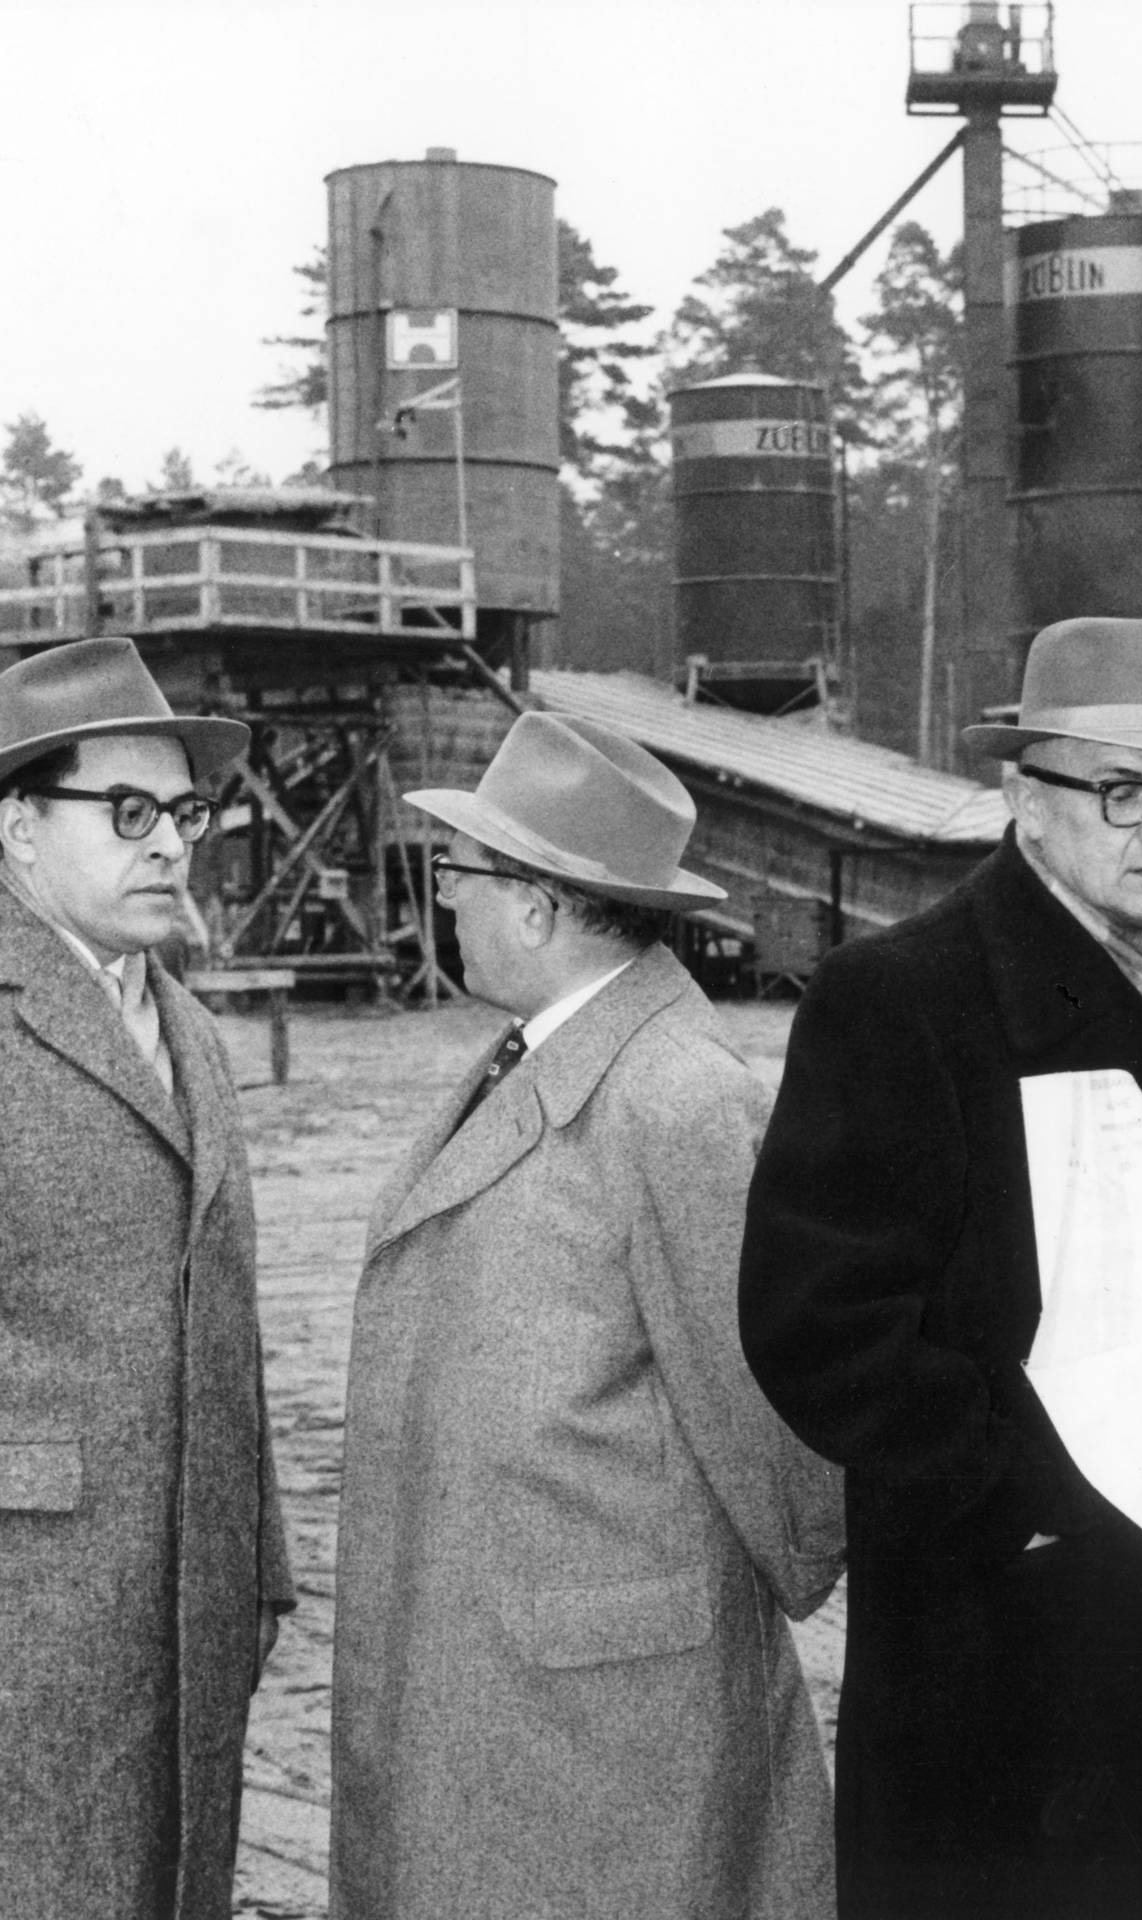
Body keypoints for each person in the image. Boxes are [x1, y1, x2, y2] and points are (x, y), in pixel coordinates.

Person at [739, 615, 1142, 1920]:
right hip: (1011, 1634)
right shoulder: (901, 996)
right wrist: (1030, 1491)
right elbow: (816, 1325)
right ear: (1024, 797)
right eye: (1121, 791)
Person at [328, 712, 843, 1920]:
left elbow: (772, 1428)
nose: (442, 899)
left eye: (458, 875)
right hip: (506, 1686)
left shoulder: (675, 1097)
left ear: (539, 907)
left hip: (604, 1716)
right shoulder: (540, 1054)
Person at [0, 636, 291, 1919]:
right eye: (128, 813)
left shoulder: (193, 1033)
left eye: (186, 810)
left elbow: (222, 1324)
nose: (173, 843)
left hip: (190, 1612)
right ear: (16, 824)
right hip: (29, 1624)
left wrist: (259, 1557)